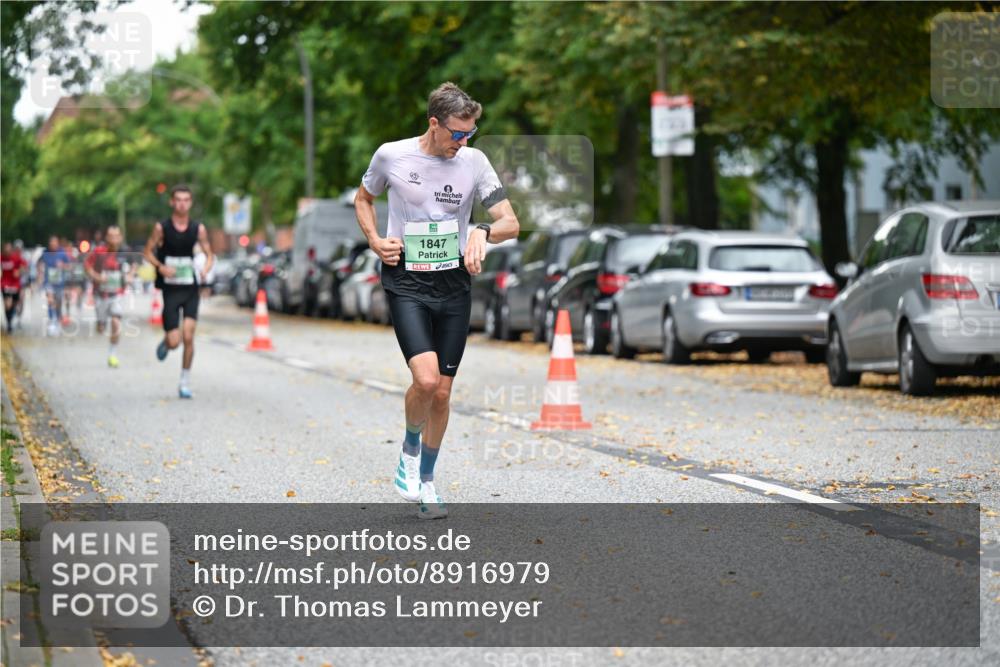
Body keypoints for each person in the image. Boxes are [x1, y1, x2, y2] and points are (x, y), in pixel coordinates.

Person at [355, 82, 519, 519]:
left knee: (443, 394)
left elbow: (511, 222)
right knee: (425, 380)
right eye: (458, 134)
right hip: (406, 279)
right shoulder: (392, 155)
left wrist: (482, 231)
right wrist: (374, 239)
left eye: (471, 132)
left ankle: (426, 481)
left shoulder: (473, 162)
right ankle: (408, 454)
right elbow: (364, 198)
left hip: (453, 285)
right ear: (434, 124)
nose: (464, 142)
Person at [143, 185, 214, 398]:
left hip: (190, 288)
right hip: (170, 290)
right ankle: (166, 343)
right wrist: (160, 266)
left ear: (190, 203)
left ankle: (184, 381)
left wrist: (206, 268)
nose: (182, 203)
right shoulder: (161, 228)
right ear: (172, 202)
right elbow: (147, 251)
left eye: (186, 200)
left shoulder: (198, 229)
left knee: (189, 336)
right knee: (175, 341)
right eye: (178, 199)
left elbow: (209, 254)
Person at [85, 225, 130, 368]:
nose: (114, 239)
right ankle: (100, 323)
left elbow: (133, 266)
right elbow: (87, 266)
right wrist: (96, 276)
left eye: (117, 236)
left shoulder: (125, 252)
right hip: (101, 295)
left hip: (116, 295)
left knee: (116, 322)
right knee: (101, 328)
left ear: (121, 237)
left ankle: (112, 354)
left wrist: (130, 276)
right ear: (106, 238)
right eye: (111, 236)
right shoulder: (99, 251)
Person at [38, 236, 70, 336]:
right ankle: (52, 321)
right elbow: (39, 264)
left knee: (58, 303)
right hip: (48, 282)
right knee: (50, 300)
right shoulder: (45, 253)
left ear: (58, 243)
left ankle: (58, 318)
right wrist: (40, 272)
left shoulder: (62, 253)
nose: (53, 244)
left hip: (60, 283)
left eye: (55, 242)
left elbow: (69, 266)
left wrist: (63, 265)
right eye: (51, 242)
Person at [1, 242, 28, 333]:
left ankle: (12, 314)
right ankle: (9, 322)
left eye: (9, 251)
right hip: (5, 284)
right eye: (6, 251)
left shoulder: (16, 257)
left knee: (15, 303)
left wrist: (19, 271)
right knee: (7, 304)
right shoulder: (1, 257)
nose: (7, 253)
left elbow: (25, 266)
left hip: (15, 284)